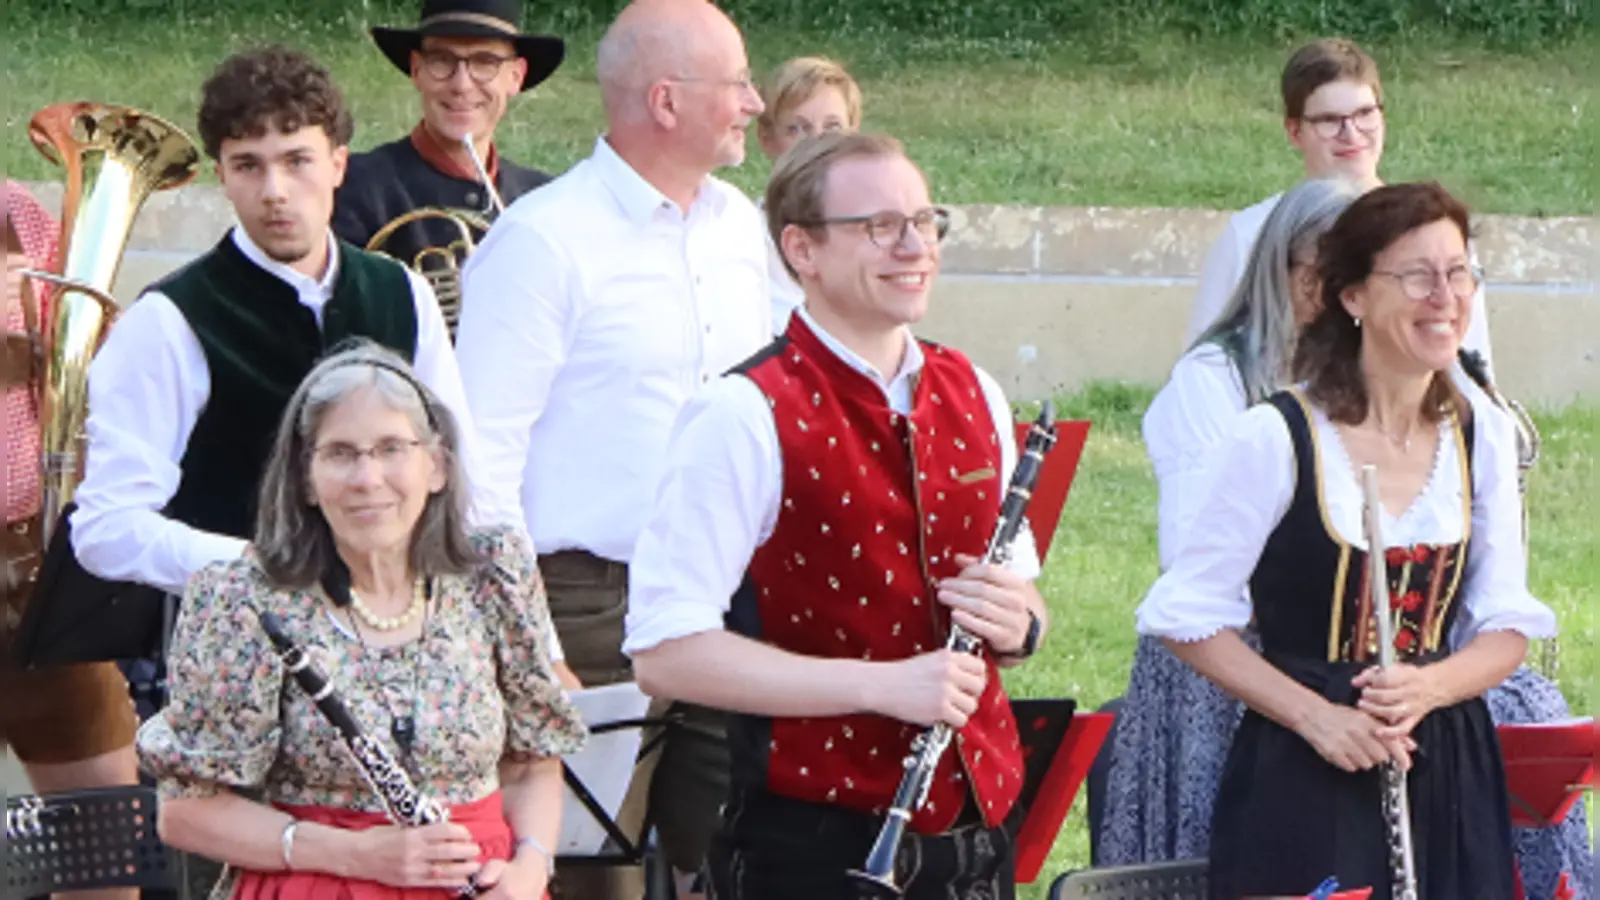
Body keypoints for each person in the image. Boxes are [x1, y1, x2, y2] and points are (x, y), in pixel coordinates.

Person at [626, 131, 1051, 899]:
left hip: (975, 839)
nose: (913, 246)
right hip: (814, 845)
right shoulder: (741, 414)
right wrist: (880, 687)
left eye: (925, 221)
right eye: (879, 226)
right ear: (803, 250)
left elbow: (1018, 601)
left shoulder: (975, 390)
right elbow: (665, 652)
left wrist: (1025, 625)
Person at [1137, 182, 1557, 899]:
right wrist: (1317, 718)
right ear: (1353, 297)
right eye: (1418, 276)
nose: (1445, 297)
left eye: (1459, 274)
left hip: (1446, 764)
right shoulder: (1276, 436)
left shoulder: (1480, 432)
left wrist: (1430, 685)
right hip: (1306, 764)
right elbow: (1185, 616)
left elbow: (1507, 622)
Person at [455, 1, 771, 892]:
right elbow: (481, 460)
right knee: (595, 874)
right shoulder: (546, 239)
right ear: (666, 102)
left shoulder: (740, 227)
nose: (754, 101)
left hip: (722, 590)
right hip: (587, 606)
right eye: (736, 82)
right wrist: (531, 638)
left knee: (733, 859)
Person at [138, 341, 587, 900]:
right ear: (305, 478)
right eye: (341, 453)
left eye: (391, 448)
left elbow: (532, 765)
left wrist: (530, 867)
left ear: (438, 466)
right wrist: (360, 855)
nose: (367, 478)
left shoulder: (494, 576)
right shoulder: (244, 600)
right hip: (318, 885)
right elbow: (182, 813)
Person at [1097, 176, 1360, 866]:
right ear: (1287, 273)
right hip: (1224, 657)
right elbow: (1199, 562)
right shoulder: (1213, 379)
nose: (1343, 296)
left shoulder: (1370, 378)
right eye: (1326, 273)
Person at [1185, 38, 1493, 370]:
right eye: (1330, 120)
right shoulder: (1247, 236)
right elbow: (1207, 361)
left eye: (1364, 113)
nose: (1351, 133)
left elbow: (1473, 363)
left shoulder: (1434, 232)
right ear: (1294, 131)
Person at [0, 180, 141, 900]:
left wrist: (83, 335)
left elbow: (85, 368)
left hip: (30, 567)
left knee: (106, 856)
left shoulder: (20, 213)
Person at [333, 0, 566, 280]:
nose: (461, 85)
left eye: (484, 62)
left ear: (516, 77)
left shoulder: (546, 200)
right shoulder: (352, 187)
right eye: (442, 60)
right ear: (417, 69)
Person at [754, 56, 863, 333]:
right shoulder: (746, 235)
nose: (817, 143)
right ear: (767, 138)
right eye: (797, 129)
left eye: (833, 127)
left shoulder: (870, 230)